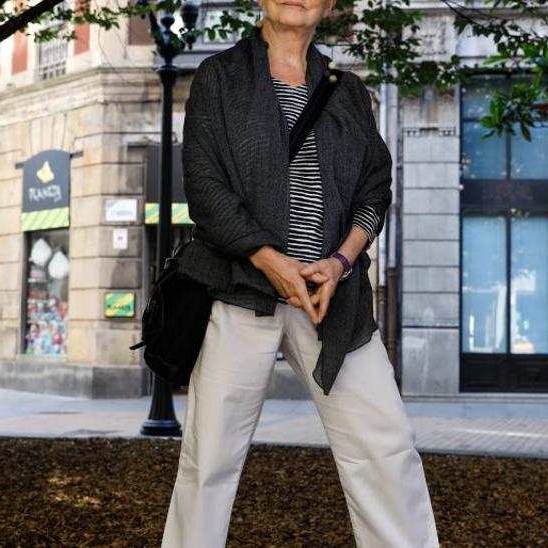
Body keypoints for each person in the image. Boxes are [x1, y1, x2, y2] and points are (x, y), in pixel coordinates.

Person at [160, 3, 440, 546]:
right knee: (209, 458)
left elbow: (375, 188)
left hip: (332, 301)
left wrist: (338, 263)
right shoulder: (221, 77)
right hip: (242, 292)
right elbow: (205, 187)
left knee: (386, 446)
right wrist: (271, 260)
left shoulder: (348, 90)